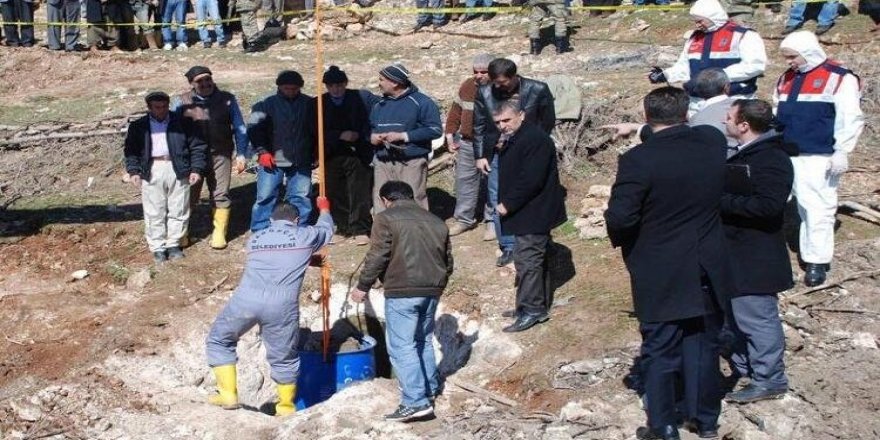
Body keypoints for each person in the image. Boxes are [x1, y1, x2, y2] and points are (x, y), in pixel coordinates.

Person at [605, 87, 731, 440]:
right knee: (703, 344)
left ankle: (663, 425)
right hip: (707, 262)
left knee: (660, 348)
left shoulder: (638, 161)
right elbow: (677, 133)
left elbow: (621, 217)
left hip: (660, 266)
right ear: (686, 113)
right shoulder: (711, 143)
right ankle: (705, 420)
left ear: (646, 117)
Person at [205, 198, 333, 416]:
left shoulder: (255, 238)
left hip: (245, 300)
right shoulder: (305, 235)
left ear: (271, 220)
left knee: (219, 339)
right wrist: (324, 209)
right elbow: (326, 230)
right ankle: (285, 408)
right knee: (284, 356)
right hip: (281, 305)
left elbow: (273, 256)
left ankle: (227, 395)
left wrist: (306, 259)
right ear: (297, 220)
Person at [350, 181, 453, 422]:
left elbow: (378, 255)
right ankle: (430, 388)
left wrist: (363, 286)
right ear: (410, 196)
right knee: (422, 341)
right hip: (432, 290)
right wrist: (437, 285)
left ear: (386, 199)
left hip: (403, 290)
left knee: (401, 347)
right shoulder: (436, 221)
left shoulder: (386, 218)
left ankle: (415, 402)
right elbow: (448, 262)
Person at [774, 31, 864, 286]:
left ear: (808, 52)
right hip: (787, 151)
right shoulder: (786, 78)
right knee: (800, 206)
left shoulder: (839, 78)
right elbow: (776, 110)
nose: (790, 62)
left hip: (818, 154)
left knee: (818, 209)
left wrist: (842, 150)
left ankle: (817, 260)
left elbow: (850, 117)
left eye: (793, 57)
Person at [720, 99, 795, 403]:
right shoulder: (748, 153)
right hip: (738, 252)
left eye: (728, 117)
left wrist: (721, 201)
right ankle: (749, 369)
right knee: (738, 317)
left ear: (743, 125)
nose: (724, 120)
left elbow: (768, 206)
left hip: (756, 256)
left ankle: (770, 379)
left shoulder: (770, 159)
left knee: (757, 319)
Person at [473, 57, 555, 266]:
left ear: (514, 76)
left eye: (503, 83)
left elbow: (547, 120)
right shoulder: (485, 92)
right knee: (498, 197)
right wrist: (480, 155)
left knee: (532, 193)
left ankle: (538, 240)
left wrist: (535, 143)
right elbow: (479, 125)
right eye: (495, 83)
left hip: (528, 150)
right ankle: (509, 245)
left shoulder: (537, 89)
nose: (499, 87)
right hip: (498, 152)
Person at [493, 100, 566, 333]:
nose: (502, 126)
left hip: (534, 210)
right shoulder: (517, 137)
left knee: (528, 260)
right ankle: (529, 305)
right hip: (528, 210)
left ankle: (533, 310)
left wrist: (507, 204)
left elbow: (531, 179)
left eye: (506, 120)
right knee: (533, 259)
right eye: (498, 122)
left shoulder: (534, 139)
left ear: (521, 116)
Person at [171, 66, 250, 250]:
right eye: (200, 81)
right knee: (188, 195)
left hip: (221, 154)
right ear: (191, 84)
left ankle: (219, 233)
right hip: (192, 158)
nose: (205, 84)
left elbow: (240, 127)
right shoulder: (182, 102)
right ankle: (181, 234)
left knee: (221, 193)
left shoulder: (227, 100)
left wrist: (241, 154)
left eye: (208, 79)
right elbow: (173, 131)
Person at [124, 91, 208, 263]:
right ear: (149, 107)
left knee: (179, 207)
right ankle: (158, 247)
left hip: (177, 167)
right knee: (154, 210)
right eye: (157, 107)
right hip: (152, 167)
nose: (161, 110)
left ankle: (174, 244)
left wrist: (196, 169)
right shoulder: (139, 126)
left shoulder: (183, 122)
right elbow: (131, 151)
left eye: (164, 106)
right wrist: (133, 171)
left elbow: (197, 146)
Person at [649, 0, 766, 112]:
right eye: (695, 21)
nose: (697, 25)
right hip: (697, 103)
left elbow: (755, 66)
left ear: (713, 17)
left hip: (732, 101)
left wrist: (717, 77)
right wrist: (665, 75)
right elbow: (684, 66)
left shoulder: (743, 35)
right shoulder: (695, 38)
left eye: (700, 21)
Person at [368, 63, 443, 214]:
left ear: (395, 82)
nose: (379, 83)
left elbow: (435, 130)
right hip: (383, 161)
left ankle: (418, 234)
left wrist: (403, 136)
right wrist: (372, 138)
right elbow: (370, 129)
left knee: (413, 198)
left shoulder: (422, 102)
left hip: (411, 161)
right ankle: (385, 234)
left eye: (382, 79)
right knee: (381, 199)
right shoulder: (379, 105)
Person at [248, 70, 317, 231]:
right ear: (279, 87)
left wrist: (316, 153)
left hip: (301, 158)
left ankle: (299, 227)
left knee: (301, 197)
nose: (291, 92)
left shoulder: (310, 104)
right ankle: (260, 229)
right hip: (272, 158)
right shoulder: (264, 104)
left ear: (300, 87)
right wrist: (262, 151)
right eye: (287, 88)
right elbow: (253, 129)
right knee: (266, 196)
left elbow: (316, 131)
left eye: (294, 89)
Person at [320, 65, 374, 245]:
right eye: (331, 86)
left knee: (360, 191)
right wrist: (338, 135)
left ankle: (361, 228)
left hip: (358, 152)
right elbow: (314, 130)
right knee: (335, 191)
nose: (335, 89)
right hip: (332, 153)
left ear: (345, 83)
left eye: (339, 85)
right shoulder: (319, 103)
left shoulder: (360, 98)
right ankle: (342, 227)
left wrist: (362, 135)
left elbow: (371, 120)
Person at [445, 53, 494, 237]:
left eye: (483, 72)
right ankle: (464, 219)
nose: (479, 75)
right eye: (476, 71)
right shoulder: (467, 86)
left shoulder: (499, 88)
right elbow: (456, 111)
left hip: (490, 144)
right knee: (464, 181)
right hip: (467, 142)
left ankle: (492, 221)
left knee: (492, 181)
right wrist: (450, 135)